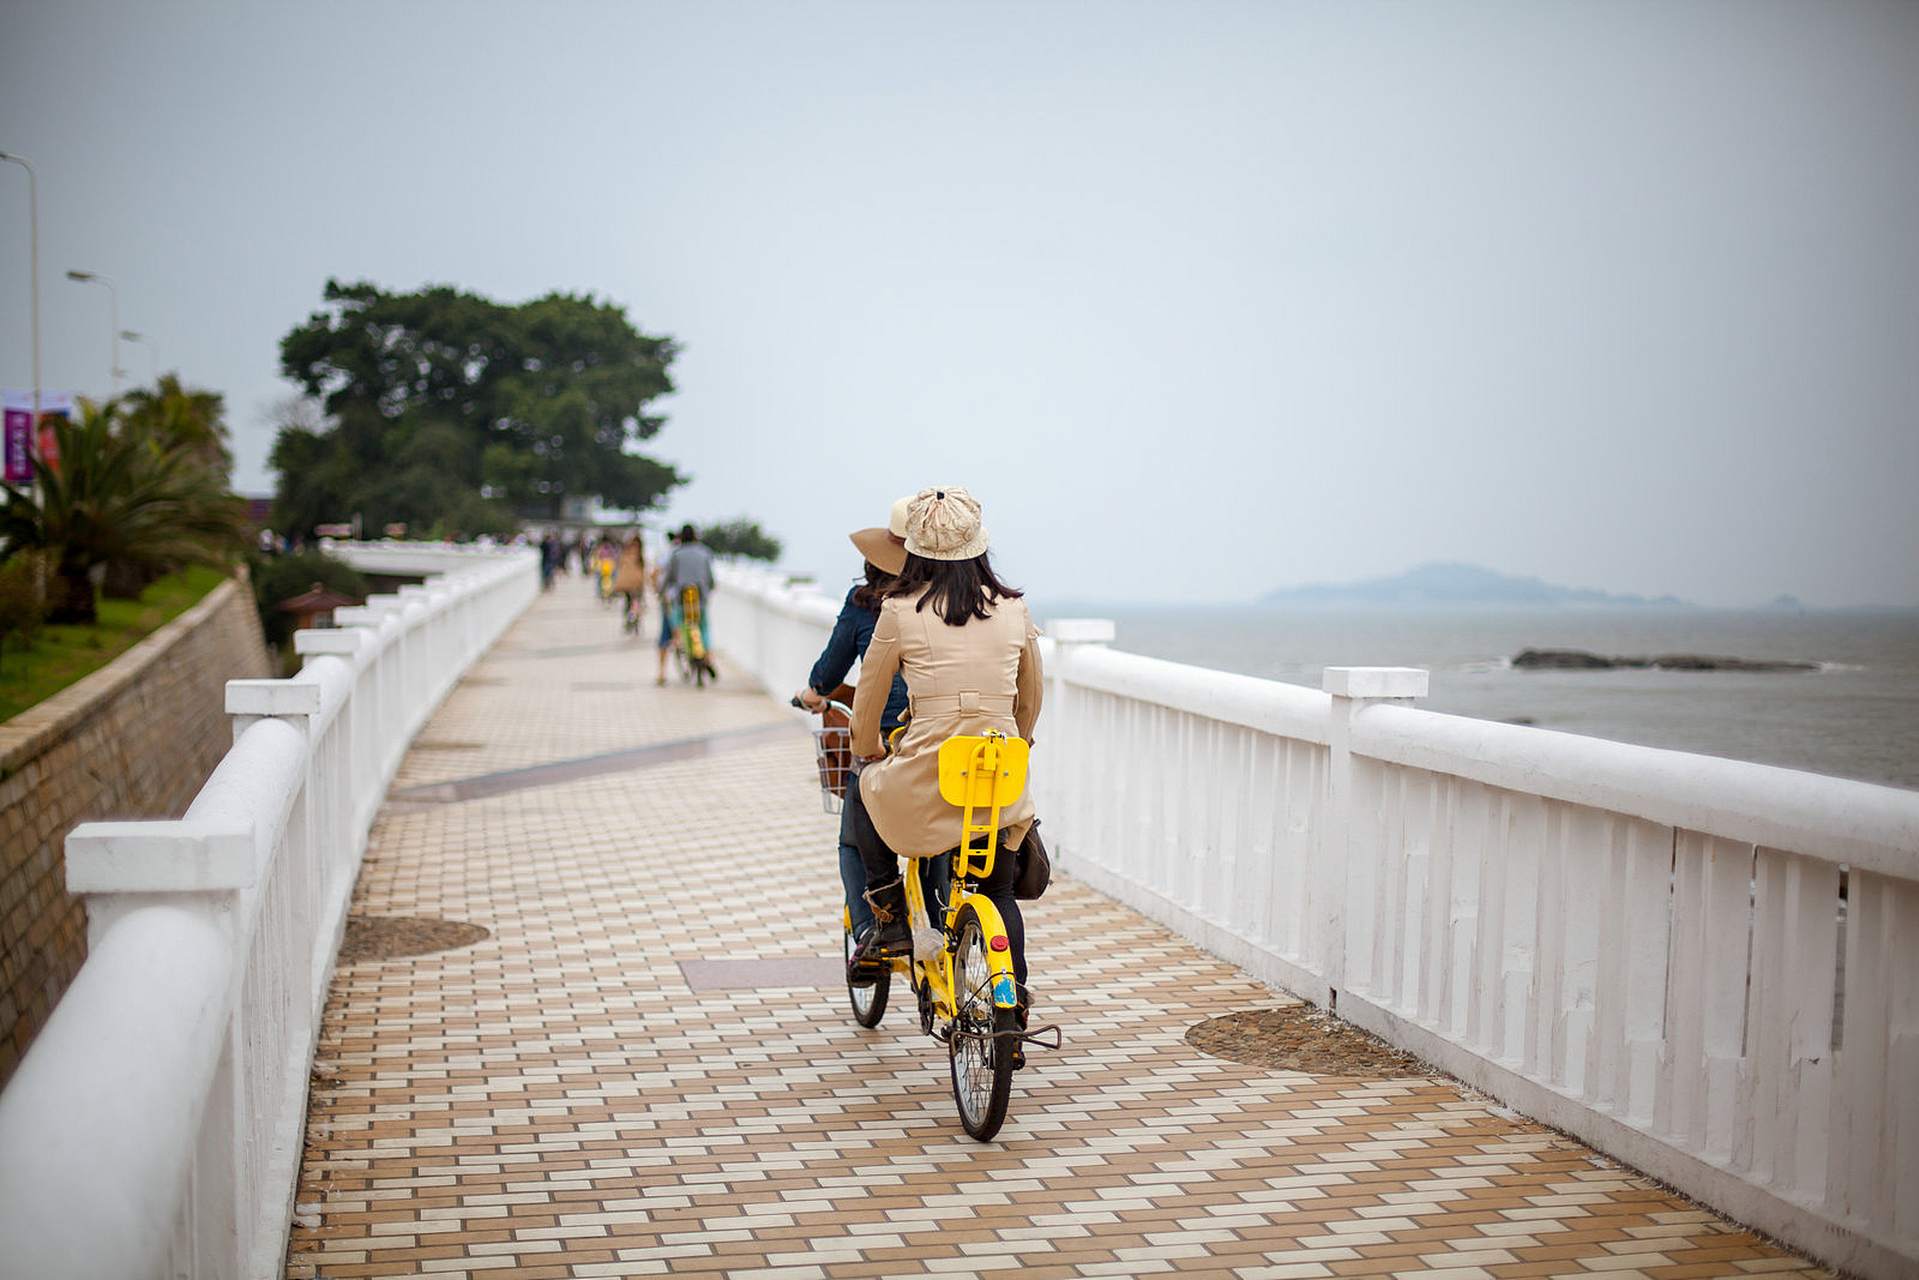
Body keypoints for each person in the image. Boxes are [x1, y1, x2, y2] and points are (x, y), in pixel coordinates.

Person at [844, 486, 1042, 1021]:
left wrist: (866, 752)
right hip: (998, 774)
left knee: (864, 791)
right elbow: (1031, 698)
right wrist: (1016, 744)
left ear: (914, 551)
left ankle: (887, 916)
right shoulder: (1015, 610)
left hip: (929, 773)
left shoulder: (899, 611)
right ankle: (1014, 999)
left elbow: (869, 698)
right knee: (996, 888)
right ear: (979, 547)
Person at [793, 501, 914, 945]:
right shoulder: (943, 600)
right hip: (947, 736)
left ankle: (868, 930)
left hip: (886, 735)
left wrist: (813, 694)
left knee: (853, 840)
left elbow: (828, 674)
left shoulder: (869, 604)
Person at [662, 523, 717, 680]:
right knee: (704, 627)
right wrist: (709, 589)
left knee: (678, 621)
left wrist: (661, 591)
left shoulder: (676, 554)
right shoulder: (704, 553)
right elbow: (711, 579)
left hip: (682, 599)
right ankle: (708, 656)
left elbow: (668, 578)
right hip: (700, 599)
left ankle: (679, 643)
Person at [610, 532, 647, 632]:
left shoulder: (626, 554)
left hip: (628, 585)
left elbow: (620, 568)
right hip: (636, 584)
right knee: (635, 602)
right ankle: (634, 621)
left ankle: (631, 621)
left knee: (629, 603)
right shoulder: (639, 555)